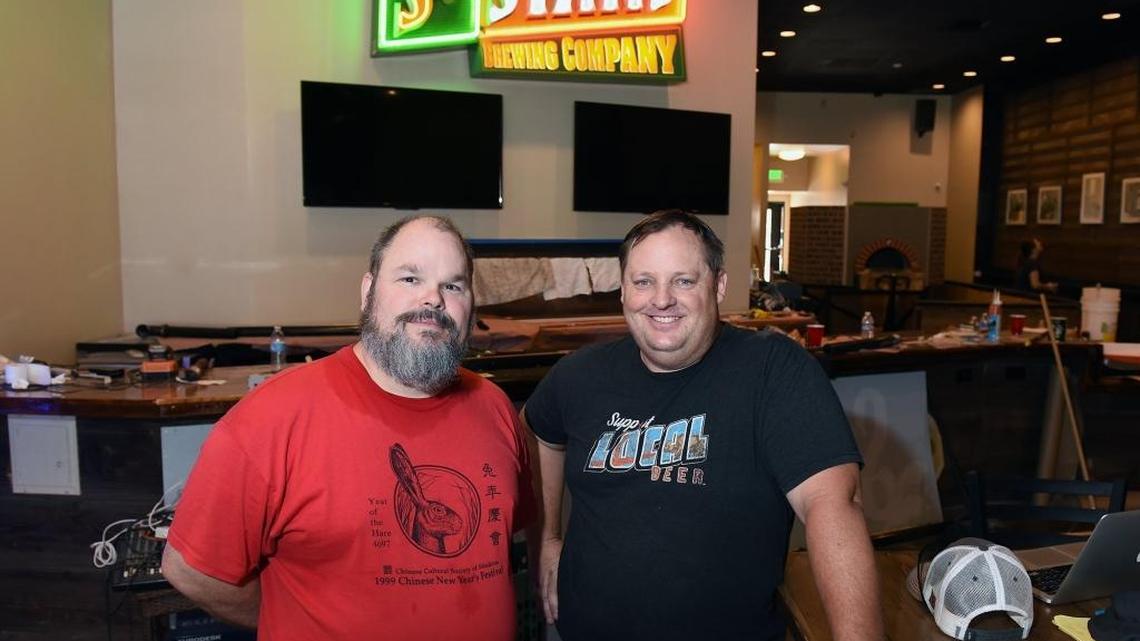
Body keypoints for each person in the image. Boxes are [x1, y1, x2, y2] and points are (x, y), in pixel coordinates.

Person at [162, 216, 535, 640]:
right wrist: (292, 616)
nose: (432, 298)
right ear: (368, 292)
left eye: (453, 285)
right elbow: (190, 570)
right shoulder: (272, 417)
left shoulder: (495, 408)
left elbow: (504, 540)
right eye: (410, 278)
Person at [522, 210, 882, 641]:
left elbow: (832, 504)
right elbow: (536, 433)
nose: (661, 299)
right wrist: (546, 540)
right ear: (623, 291)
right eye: (643, 282)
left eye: (683, 281)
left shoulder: (773, 370)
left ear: (719, 286)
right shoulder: (580, 375)